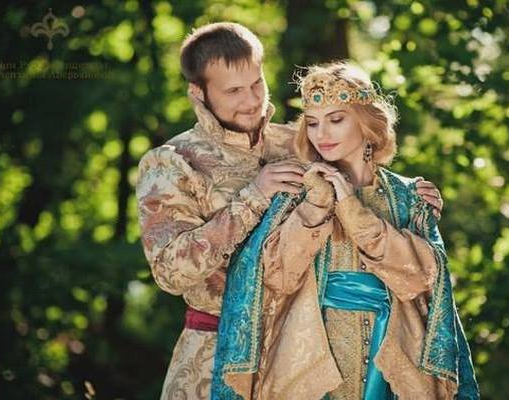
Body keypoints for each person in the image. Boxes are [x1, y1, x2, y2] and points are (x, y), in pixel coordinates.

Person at [136, 23, 445, 399]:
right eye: (233, 91)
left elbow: (361, 181)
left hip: (305, 349)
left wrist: (415, 199)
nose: (251, 100)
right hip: (214, 352)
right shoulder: (172, 163)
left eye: (257, 83)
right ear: (198, 93)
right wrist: (254, 196)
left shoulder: (299, 142)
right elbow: (170, 273)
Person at [211, 63, 478, 399]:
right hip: (313, 362)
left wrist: (353, 211)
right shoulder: (297, 193)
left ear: (367, 123)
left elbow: (424, 280)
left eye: (336, 119)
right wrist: (316, 207)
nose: (321, 134)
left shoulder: (410, 196)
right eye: (312, 123)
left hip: (395, 361)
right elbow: (275, 278)